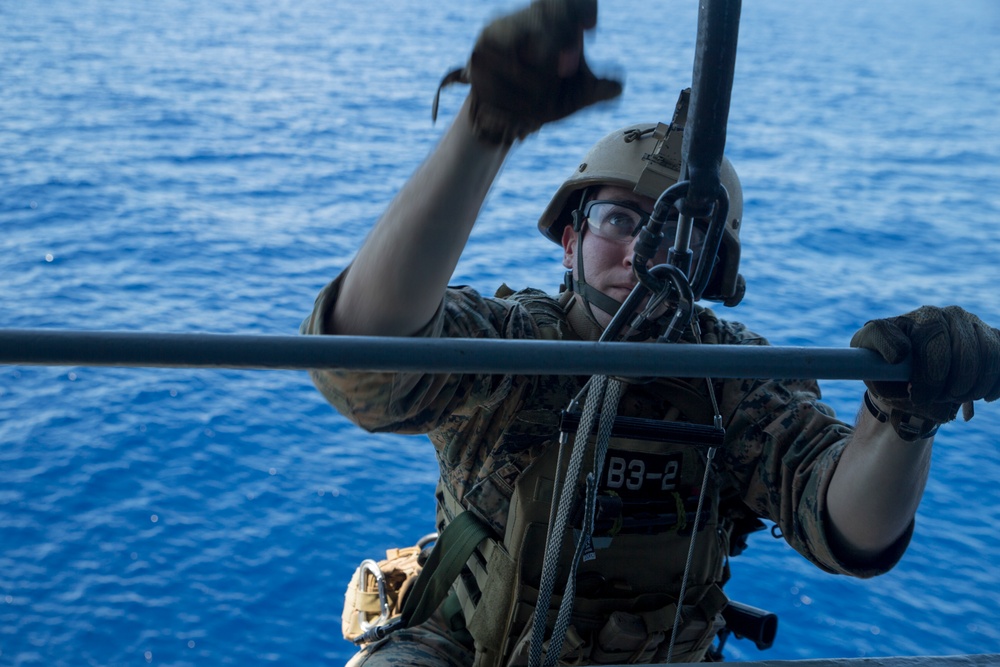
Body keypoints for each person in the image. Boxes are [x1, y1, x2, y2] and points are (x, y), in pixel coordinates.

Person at [301, 0, 1000, 664]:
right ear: (569, 240)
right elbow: (362, 361)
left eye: (679, 231)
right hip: (464, 647)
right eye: (619, 220)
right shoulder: (511, 346)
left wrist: (903, 417)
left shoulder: (733, 382)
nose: (643, 251)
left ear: (714, 269)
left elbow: (848, 526)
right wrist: (486, 127)